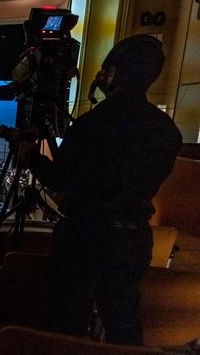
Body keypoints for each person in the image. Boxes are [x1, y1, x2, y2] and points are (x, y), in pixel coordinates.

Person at [18, 35, 182, 345]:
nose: (99, 75)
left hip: (84, 237)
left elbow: (61, 180)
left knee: (66, 322)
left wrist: (30, 156)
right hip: (133, 239)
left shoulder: (93, 124)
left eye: (105, 69)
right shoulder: (166, 130)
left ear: (116, 73)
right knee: (121, 322)